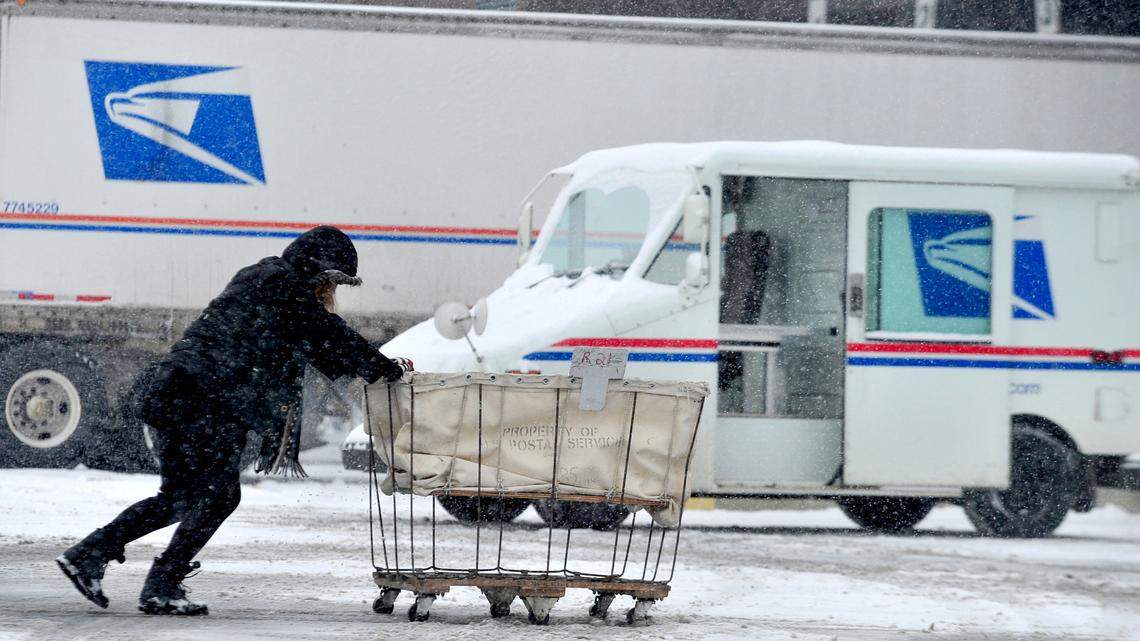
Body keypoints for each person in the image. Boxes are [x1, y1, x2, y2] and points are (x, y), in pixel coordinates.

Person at [55, 226, 411, 616]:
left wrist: (374, 367)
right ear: (316, 269)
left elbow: (322, 349)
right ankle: (159, 581)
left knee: (180, 497)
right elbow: (330, 336)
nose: (331, 290)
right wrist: (383, 367)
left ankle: (93, 555)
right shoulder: (281, 285)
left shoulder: (262, 279)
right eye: (330, 281)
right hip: (204, 401)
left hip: (181, 393)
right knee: (217, 497)